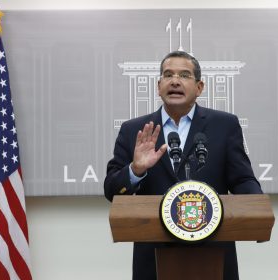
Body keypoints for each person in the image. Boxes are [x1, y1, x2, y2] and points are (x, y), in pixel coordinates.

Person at [104, 51, 263, 280]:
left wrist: (256, 207)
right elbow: (111, 190)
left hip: (213, 258)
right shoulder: (134, 130)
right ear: (159, 86)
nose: (175, 81)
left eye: (184, 75)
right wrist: (135, 170)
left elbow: (242, 179)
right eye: (168, 75)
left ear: (199, 87)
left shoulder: (225, 125)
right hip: (153, 263)